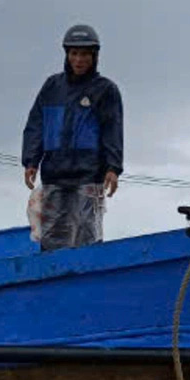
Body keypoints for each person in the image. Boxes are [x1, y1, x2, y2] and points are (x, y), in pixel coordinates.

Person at [21, 24, 123, 250]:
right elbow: (36, 124)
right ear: (67, 54)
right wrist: (31, 160)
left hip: (89, 176)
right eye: (74, 53)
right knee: (53, 239)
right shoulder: (52, 87)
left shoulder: (105, 90)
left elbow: (112, 130)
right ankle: (55, 281)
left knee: (88, 235)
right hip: (55, 176)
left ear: (94, 57)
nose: (79, 59)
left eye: (85, 54)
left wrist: (113, 168)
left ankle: (89, 279)